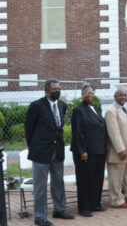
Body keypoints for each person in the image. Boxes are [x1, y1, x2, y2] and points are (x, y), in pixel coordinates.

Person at [25, 79, 75, 226]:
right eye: (54, 89)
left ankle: (59, 210)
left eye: (59, 88)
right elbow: (29, 128)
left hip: (57, 150)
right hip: (41, 152)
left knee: (58, 182)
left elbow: (58, 128)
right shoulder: (36, 106)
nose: (57, 91)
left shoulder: (62, 105)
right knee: (40, 186)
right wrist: (34, 146)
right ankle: (40, 217)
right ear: (46, 91)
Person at [71, 85, 107, 217]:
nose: (90, 94)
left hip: (99, 150)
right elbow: (78, 132)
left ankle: (95, 204)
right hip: (86, 153)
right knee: (85, 179)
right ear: (82, 95)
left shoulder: (97, 109)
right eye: (87, 93)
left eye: (92, 92)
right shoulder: (78, 110)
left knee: (97, 179)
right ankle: (84, 207)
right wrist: (82, 151)